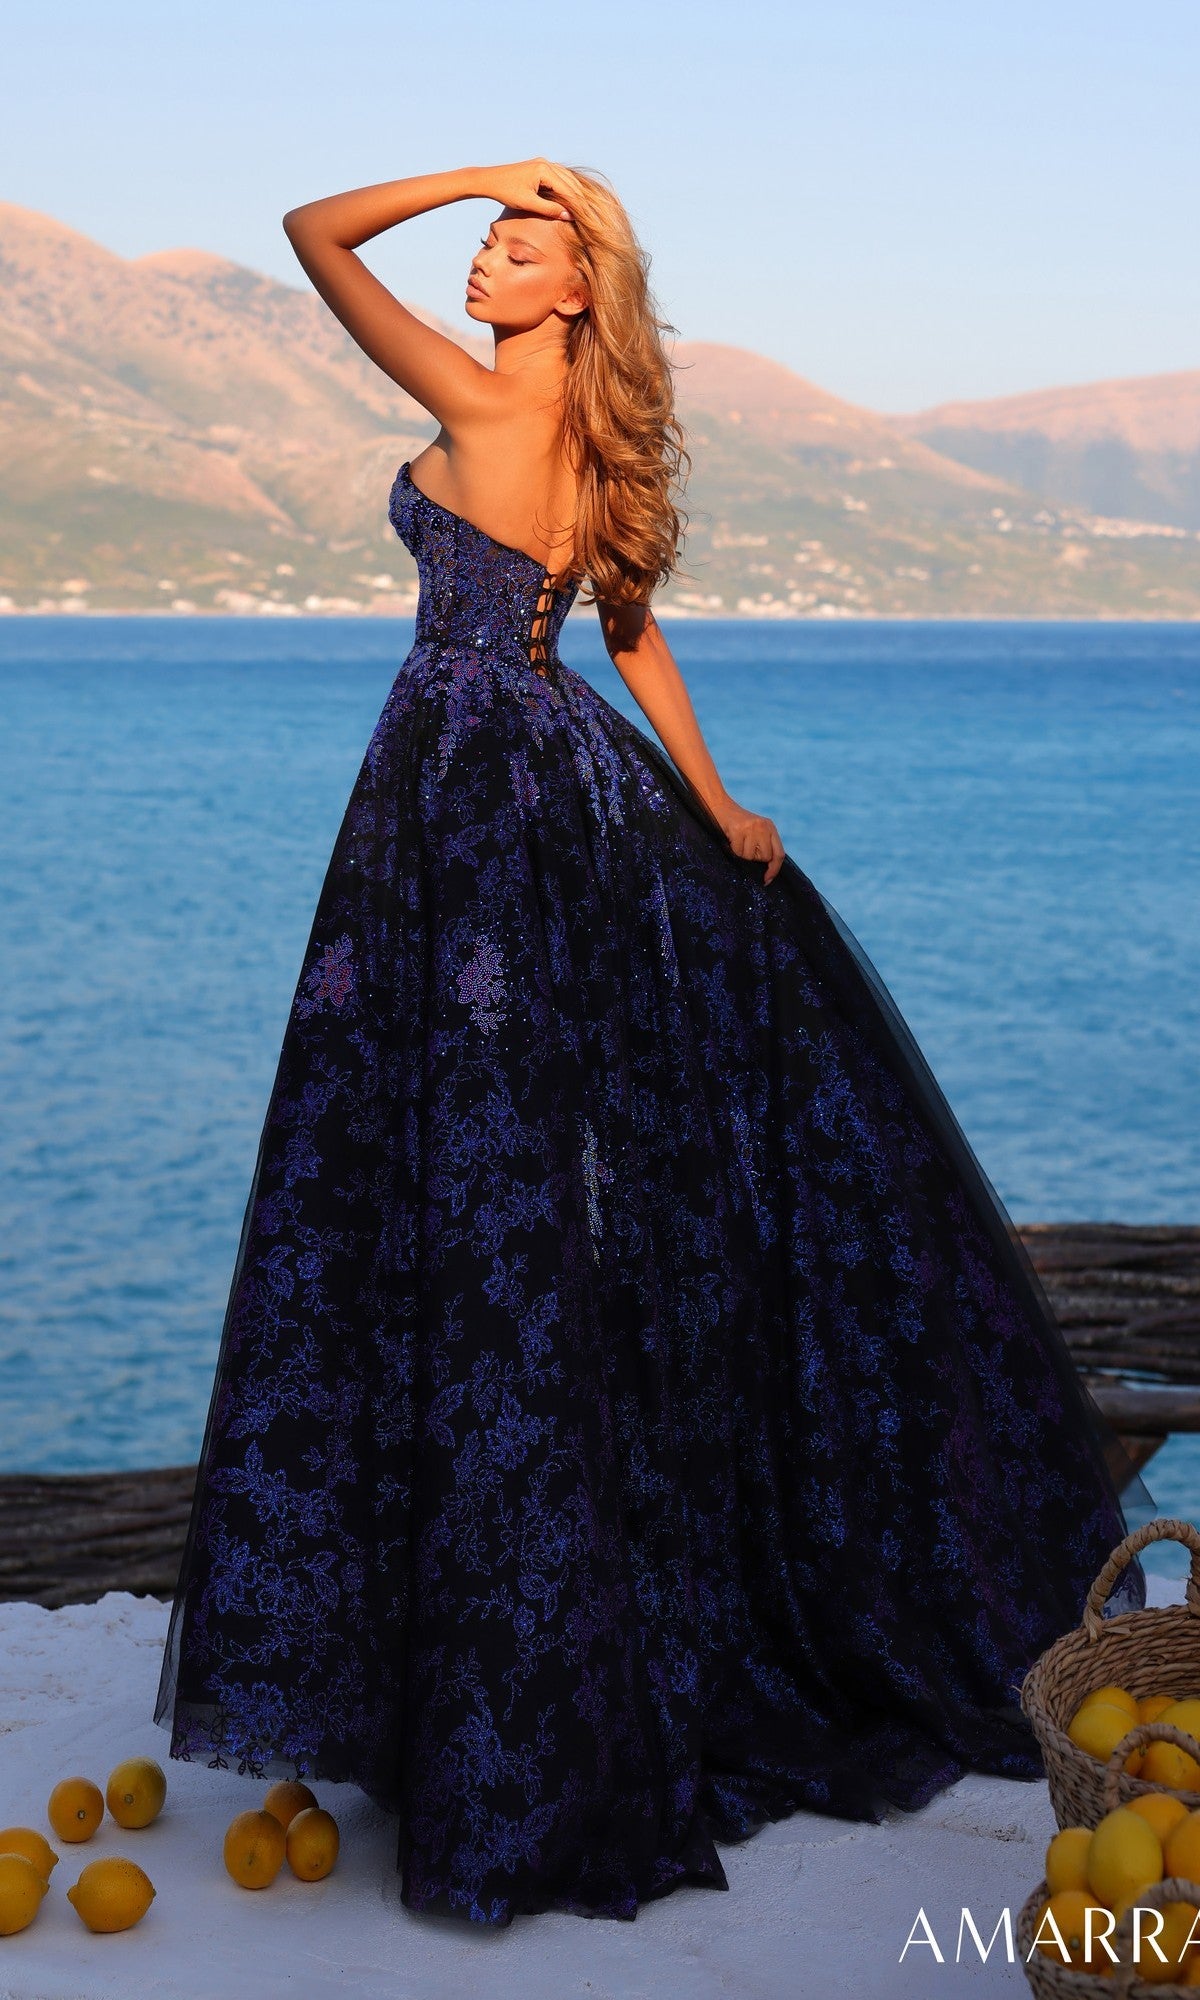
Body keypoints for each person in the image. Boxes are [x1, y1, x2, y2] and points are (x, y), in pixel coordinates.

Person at [154, 158, 1156, 1928]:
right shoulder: (594, 448)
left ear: (574, 294)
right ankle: (509, 1652)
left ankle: (494, 1701)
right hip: (550, 788)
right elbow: (633, 640)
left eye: (517, 244)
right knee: (528, 1203)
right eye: (485, 232)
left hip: (458, 804)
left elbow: (311, 231)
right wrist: (720, 806)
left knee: (445, 1199)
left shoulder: (477, 388)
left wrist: (473, 161)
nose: (482, 253)